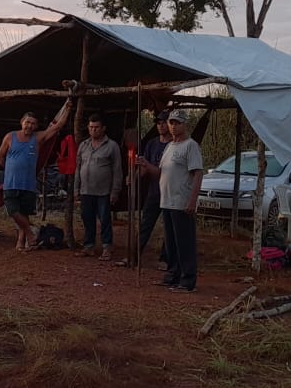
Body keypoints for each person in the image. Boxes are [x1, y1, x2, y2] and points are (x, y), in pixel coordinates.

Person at [136, 109, 204, 292]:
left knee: (184, 242)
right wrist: (145, 165)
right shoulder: (168, 147)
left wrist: (192, 200)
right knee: (171, 242)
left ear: (185, 124)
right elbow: (161, 173)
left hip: (181, 201)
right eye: (171, 123)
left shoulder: (191, 146)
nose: (173, 126)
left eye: (177, 123)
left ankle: (188, 280)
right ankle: (173, 275)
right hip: (166, 200)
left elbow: (198, 174)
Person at [0, 99, 72, 252]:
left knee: (24, 213)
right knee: (13, 211)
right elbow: (0, 156)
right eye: (27, 122)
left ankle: (21, 243)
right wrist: (10, 169)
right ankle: (31, 235)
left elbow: (57, 127)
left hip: (28, 184)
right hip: (11, 183)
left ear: (36, 126)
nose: (29, 125)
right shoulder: (10, 137)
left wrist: (68, 108)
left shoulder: (38, 138)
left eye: (33, 123)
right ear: (21, 122)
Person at [74, 114, 124, 260]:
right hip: (86, 190)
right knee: (87, 218)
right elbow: (78, 168)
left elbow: (117, 170)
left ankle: (107, 247)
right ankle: (89, 246)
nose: (93, 130)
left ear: (103, 128)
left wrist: (115, 191)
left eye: (96, 127)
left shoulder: (112, 146)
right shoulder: (84, 145)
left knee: (104, 219)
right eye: (91, 127)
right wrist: (76, 189)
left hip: (103, 191)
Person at [137, 110, 173, 263]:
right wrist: (136, 175)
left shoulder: (174, 145)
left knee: (169, 228)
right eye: (159, 123)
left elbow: (163, 172)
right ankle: (135, 255)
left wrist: (146, 165)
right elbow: (145, 167)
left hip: (170, 191)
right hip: (154, 191)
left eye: (164, 122)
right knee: (145, 224)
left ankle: (165, 259)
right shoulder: (152, 144)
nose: (161, 126)